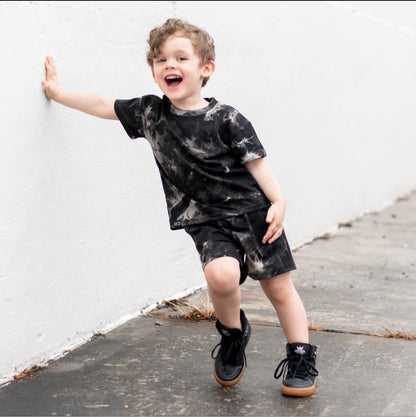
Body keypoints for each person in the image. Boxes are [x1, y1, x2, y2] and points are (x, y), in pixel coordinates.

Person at [41, 18, 318, 397]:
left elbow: (257, 164)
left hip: (254, 214)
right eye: (160, 59)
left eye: (180, 57)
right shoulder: (151, 114)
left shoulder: (227, 119)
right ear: (154, 72)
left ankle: (300, 355)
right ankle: (234, 334)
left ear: (206, 69)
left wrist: (279, 201)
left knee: (278, 288)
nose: (169, 64)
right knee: (220, 277)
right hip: (205, 221)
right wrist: (57, 94)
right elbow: (104, 105)